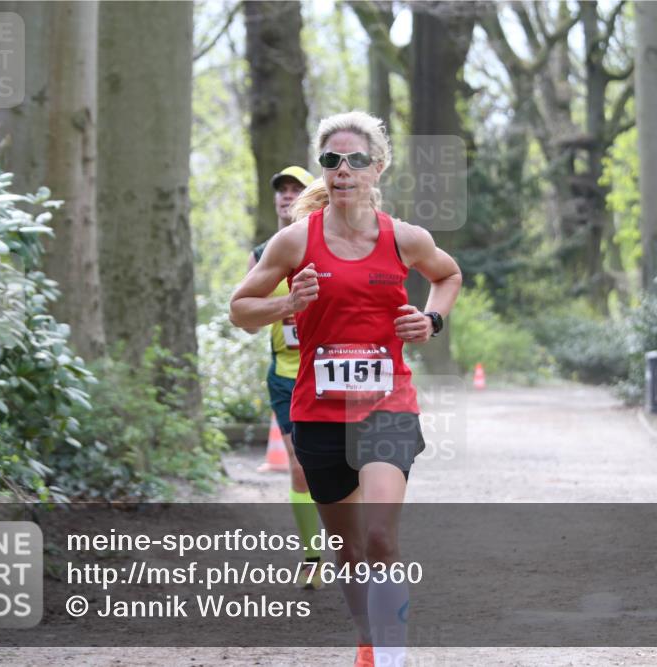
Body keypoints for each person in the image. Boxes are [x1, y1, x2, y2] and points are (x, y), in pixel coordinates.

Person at [230, 111, 462, 667]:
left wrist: (430, 322)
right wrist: (288, 303)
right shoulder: (293, 243)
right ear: (323, 170)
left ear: (376, 167)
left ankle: (392, 656)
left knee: (381, 539)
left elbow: (448, 275)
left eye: (355, 160)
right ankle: (367, 639)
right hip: (318, 412)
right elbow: (240, 309)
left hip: (387, 406)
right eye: (331, 160)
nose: (342, 170)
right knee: (350, 551)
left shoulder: (405, 238)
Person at [242, 165, 325, 589]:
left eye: (296, 189)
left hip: (331, 374)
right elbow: (246, 319)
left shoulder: (329, 245)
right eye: (281, 190)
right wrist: (283, 307)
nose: (286, 196)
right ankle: (312, 557)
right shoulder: (262, 254)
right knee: (299, 467)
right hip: (287, 376)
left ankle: (354, 545)